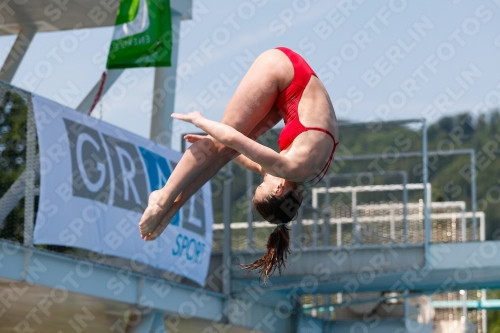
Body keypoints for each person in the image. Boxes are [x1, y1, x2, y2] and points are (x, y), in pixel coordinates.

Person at [139, 47, 339, 281]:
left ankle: (173, 207)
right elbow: (232, 137)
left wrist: (215, 140)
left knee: (222, 152)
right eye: (261, 184)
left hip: (285, 94)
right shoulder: (291, 167)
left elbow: (240, 154)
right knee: (220, 143)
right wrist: (200, 121)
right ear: (278, 189)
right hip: (283, 69)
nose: (263, 177)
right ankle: (162, 199)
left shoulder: (300, 175)